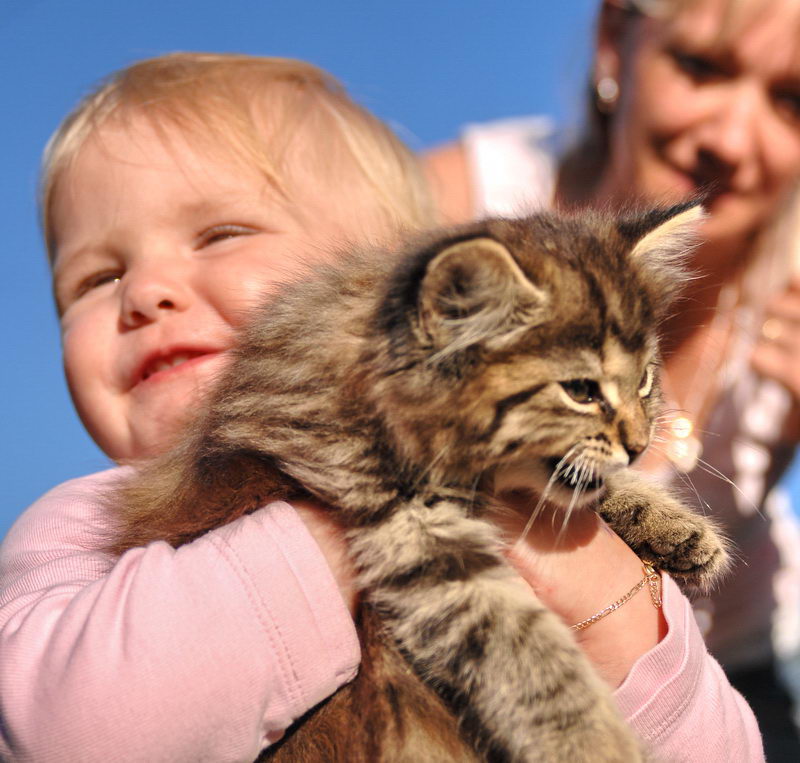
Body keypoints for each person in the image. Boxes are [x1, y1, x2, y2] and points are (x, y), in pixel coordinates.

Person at [0, 52, 762, 761]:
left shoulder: (520, 475)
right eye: (94, 280)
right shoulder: (82, 526)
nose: (144, 293)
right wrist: (366, 518)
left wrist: (619, 604)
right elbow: (68, 732)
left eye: (220, 234)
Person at [425, 0, 800, 758]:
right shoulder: (454, 203)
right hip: (490, 647)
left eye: (792, 100)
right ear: (612, 43)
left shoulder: (789, 284)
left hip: (730, 664)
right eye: (700, 66)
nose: (730, 137)